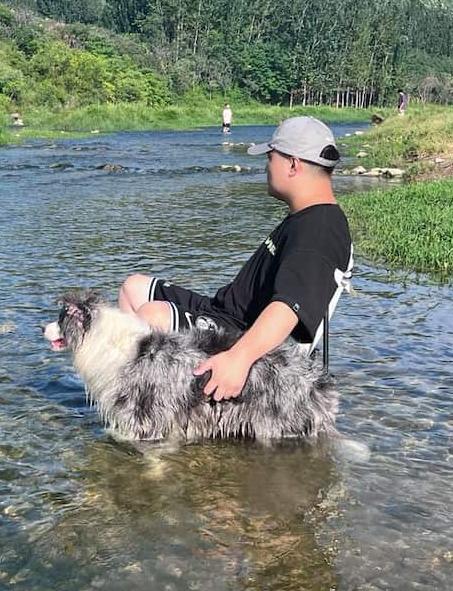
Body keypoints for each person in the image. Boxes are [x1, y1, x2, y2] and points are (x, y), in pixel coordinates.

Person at [117, 116, 353, 402]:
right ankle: (129, 394)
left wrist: (239, 359)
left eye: (270, 158)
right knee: (133, 288)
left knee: (151, 316)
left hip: (239, 332)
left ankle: (149, 407)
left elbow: (289, 307)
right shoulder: (307, 216)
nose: (266, 167)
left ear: (293, 165)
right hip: (223, 310)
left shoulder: (319, 231)